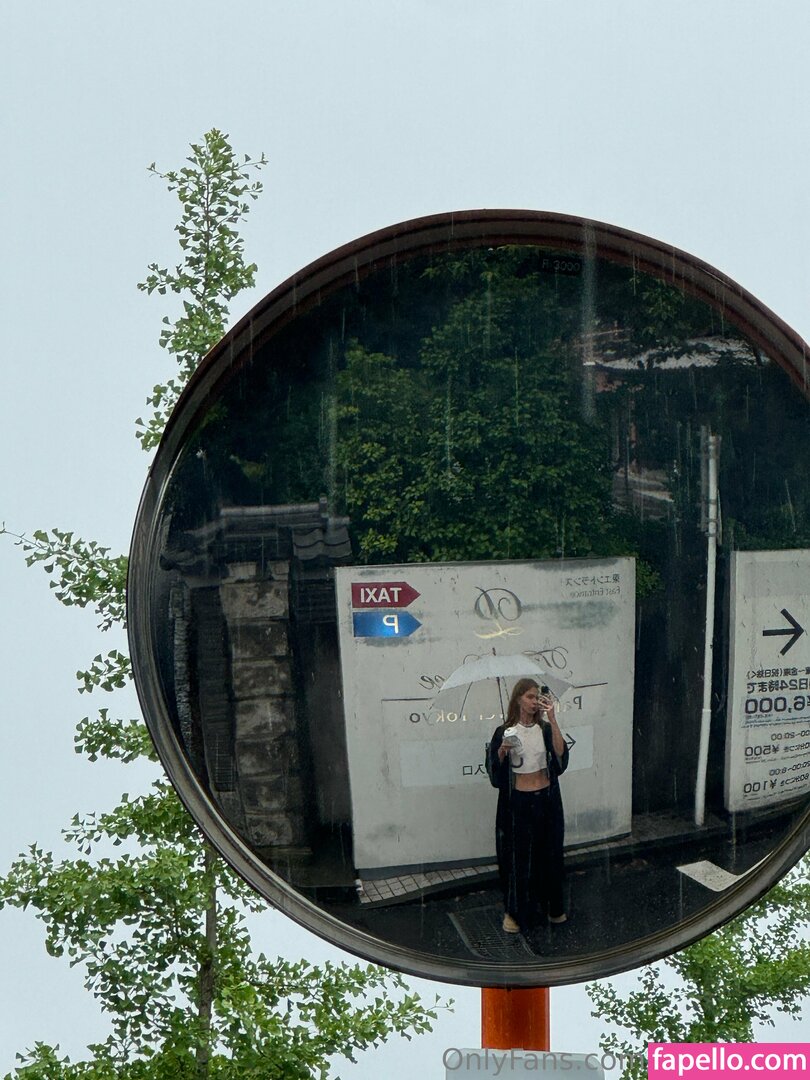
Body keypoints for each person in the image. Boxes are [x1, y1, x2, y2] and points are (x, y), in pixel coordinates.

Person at [487, 678, 569, 934]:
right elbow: (495, 773)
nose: (534, 702)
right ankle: (515, 912)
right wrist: (502, 751)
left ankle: (553, 906)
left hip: (546, 799)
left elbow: (560, 757)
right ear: (518, 699)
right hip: (518, 803)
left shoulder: (544, 729)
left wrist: (552, 718)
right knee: (517, 858)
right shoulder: (504, 731)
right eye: (530, 697)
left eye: (537, 698)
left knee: (550, 853)